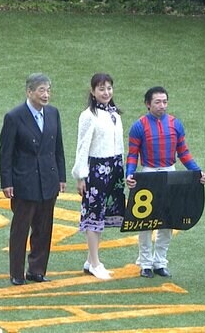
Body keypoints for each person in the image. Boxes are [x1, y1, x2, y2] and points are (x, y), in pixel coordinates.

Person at [125, 86, 205, 278]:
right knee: (144, 223)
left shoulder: (175, 124)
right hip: (148, 175)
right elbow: (132, 155)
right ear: (148, 104)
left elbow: (184, 153)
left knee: (168, 221)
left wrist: (197, 172)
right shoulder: (138, 126)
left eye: (164, 101)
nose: (162, 105)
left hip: (170, 173)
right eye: (157, 102)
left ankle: (160, 261)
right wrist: (130, 174)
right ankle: (145, 263)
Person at [0, 73, 66, 285]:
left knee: (44, 228)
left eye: (48, 90)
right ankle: (16, 273)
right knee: (20, 229)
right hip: (24, 181)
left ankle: (37, 270)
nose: (46, 95)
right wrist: (6, 182)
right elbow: (6, 153)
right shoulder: (14, 116)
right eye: (41, 90)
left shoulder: (53, 114)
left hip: (48, 180)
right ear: (30, 92)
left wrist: (61, 177)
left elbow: (58, 149)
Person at [71, 73, 126, 280]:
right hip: (96, 169)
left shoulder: (114, 114)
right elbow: (82, 146)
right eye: (101, 89)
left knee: (102, 216)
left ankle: (90, 259)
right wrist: (81, 176)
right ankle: (95, 262)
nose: (106, 92)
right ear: (93, 92)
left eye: (109, 88)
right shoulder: (88, 115)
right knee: (93, 215)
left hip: (114, 167)